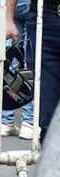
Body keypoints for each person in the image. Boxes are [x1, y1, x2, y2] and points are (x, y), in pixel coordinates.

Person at [7, 0, 60, 142]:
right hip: (45, 18)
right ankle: (51, 161)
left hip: (45, 18)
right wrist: (8, 19)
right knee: (47, 110)